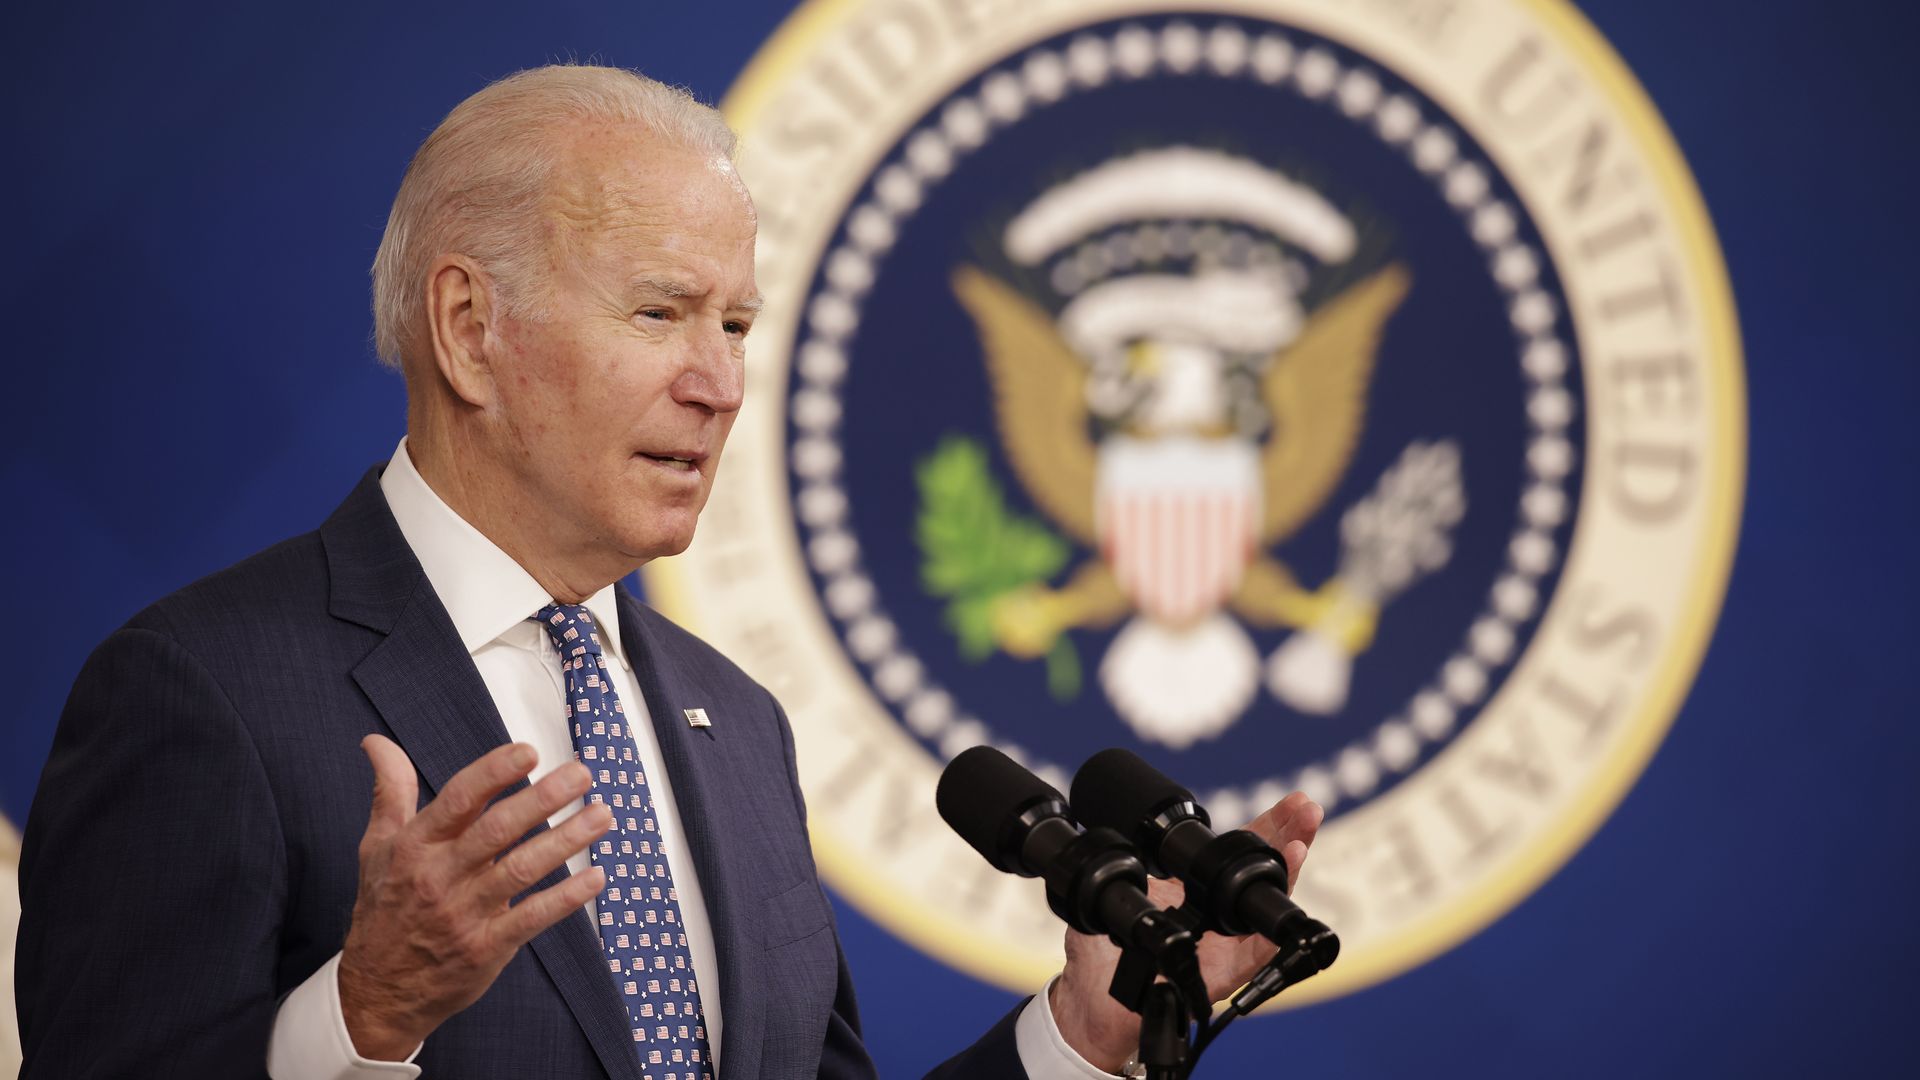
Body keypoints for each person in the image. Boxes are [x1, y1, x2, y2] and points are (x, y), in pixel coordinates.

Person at [14, 65, 1323, 1079]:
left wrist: (1082, 1039)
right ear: (469, 330)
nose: (720, 385)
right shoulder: (205, 695)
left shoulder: (734, 724)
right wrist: (360, 1021)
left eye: (737, 325)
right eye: (659, 313)